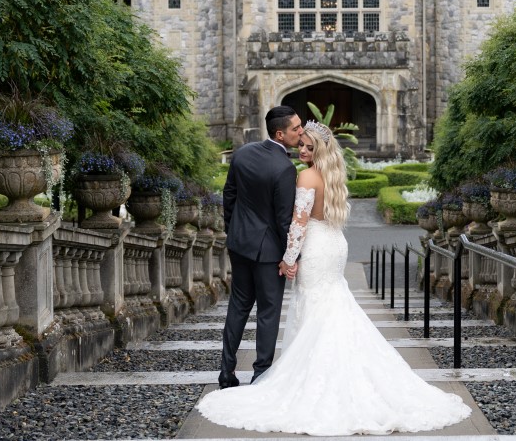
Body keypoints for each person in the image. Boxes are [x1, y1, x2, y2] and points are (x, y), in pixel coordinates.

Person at [198, 120, 472, 435]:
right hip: (333, 245)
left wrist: (288, 260)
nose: (301, 149)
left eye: (308, 147)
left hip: (315, 249)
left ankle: (315, 380)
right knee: (334, 308)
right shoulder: (334, 175)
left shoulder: (305, 176)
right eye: (300, 144)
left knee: (317, 310)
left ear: (321, 150)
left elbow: (298, 223)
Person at [217, 105, 304, 389]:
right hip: (268, 254)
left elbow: (228, 196)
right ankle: (261, 373)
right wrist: (290, 256)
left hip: (240, 245)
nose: (300, 132)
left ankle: (226, 372)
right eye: (295, 129)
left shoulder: (242, 153)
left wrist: (233, 232)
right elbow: (283, 220)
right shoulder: (284, 169)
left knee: (238, 308)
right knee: (268, 312)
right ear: (280, 134)